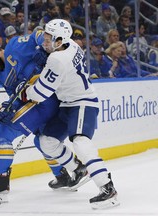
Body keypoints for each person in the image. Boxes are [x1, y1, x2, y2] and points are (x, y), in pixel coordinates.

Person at [0, 31, 86, 203]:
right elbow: (19, 96)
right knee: (41, 139)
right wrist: (8, 107)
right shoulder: (2, 77)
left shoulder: (14, 44)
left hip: (46, 98)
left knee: (4, 131)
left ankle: (1, 183)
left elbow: (40, 34)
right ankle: (62, 175)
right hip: (41, 102)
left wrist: (47, 50)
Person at [21, 19, 119, 209]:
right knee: (46, 141)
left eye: (49, 38)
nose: (45, 42)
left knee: (80, 141)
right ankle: (78, 169)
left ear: (59, 40)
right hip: (67, 104)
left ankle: (108, 188)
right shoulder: (71, 44)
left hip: (83, 103)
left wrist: (26, 90)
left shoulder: (57, 59)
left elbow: (40, 93)